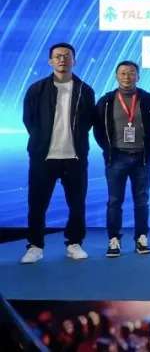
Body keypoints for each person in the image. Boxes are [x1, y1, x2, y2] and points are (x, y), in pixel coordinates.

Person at [20, 42, 96, 264]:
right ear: (50, 61)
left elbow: (89, 121)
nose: (62, 59)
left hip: (75, 158)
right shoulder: (37, 89)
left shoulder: (85, 90)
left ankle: (74, 243)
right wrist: (41, 141)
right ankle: (35, 246)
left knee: (77, 205)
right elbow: (29, 120)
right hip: (44, 158)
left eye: (67, 56)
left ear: (74, 60)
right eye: (58, 56)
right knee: (37, 204)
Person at [93, 61, 150, 257]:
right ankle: (114, 239)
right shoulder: (106, 101)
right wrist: (108, 149)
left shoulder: (148, 99)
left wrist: (149, 146)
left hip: (142, 158)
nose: (127, 77)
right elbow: (98, 129)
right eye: (123, 73)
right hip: (116, 158)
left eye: (131, 73)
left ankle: (141, 238)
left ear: (138, 76)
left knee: (142, 201)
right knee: (114, 201)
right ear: (116, 76)